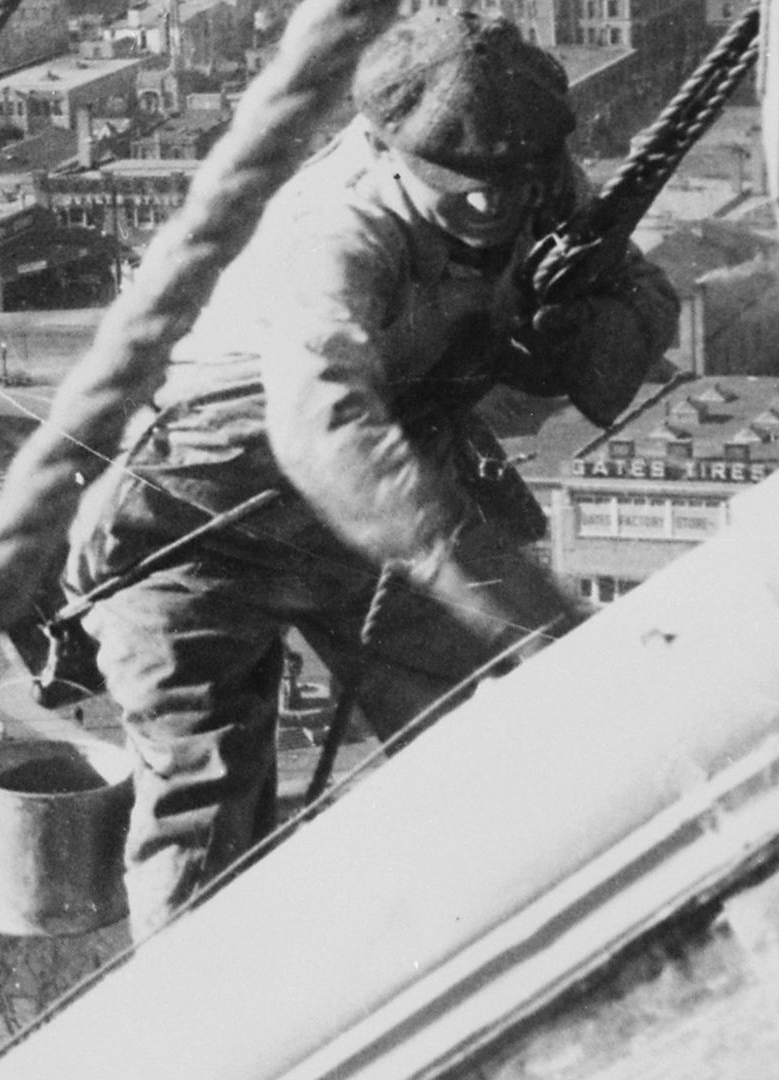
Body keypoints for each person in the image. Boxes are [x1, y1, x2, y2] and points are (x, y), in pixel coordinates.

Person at [62, 9, 678, 935]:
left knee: (493, 755)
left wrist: (585, 340)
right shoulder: (338, 228)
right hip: (197, 522)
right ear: (389, 149)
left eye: (510, 179)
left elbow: (639, 290)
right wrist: (517, 597)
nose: (491, 206)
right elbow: (328, 429)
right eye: (458, 184)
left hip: (377, 510)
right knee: (203, 808)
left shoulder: (530, 175)